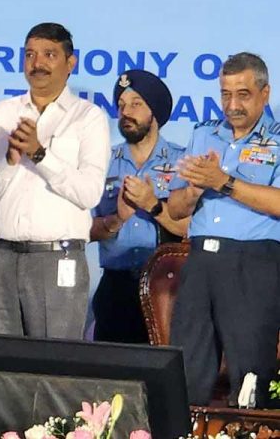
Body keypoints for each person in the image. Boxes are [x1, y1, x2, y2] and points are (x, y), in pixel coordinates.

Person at [0, 22, 110, 339]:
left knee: (52, 366)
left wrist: (40, 154)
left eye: (49, 54)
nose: (37, 64)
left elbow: (89, 193)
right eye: (30, 55)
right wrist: (9, 161)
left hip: (57, 259)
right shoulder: (2, 114)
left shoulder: (88, 118)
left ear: (71, 63)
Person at [167, 52, 280, 408]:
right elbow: (176, 208)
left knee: (249, 374)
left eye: (243, 94)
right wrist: (196, 190)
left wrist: (225, 181)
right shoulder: (203, 134)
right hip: (200, 261)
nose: (232, 105)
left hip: (252, 262)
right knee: (186, 367)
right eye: (225, 94)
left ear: (265, 93)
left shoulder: (276, 140)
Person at [89, 70, 189, 343]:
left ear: (154, 112)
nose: (126, 112)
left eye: (135, 104)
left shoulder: (184, 163)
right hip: (116, 287)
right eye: (121, 106)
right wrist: (116, 220)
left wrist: (153, 205)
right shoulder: (103, 161)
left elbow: (191, 229)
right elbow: (84, 230)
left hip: (169, 286)